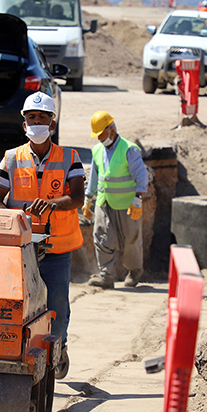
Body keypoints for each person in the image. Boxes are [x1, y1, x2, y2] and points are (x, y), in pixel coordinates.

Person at [0, 91, 84, 379]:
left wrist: (52, 204)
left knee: (56, 305)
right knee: (17, 305)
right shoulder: (11, 158)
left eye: (43, 118)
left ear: (52, 124)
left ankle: (58, 348)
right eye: (32, 118)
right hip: (22, 248)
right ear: (24, 125)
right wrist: (14, 220)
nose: (37, 122)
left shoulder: (70, 157)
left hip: (57, 247)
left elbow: (78, 197)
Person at [82, 110, 149, 289]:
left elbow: (142, 176)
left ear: (111, 129)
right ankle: (106, 276)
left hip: (127, 205)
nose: (98, 138)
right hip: (104, 202)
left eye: (100, 134)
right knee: (101, 237)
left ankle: (135, 272)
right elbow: (95, 177)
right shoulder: (97, 151)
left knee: (131, 241)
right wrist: (88, 199)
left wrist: (138, 199)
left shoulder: (129, 149)